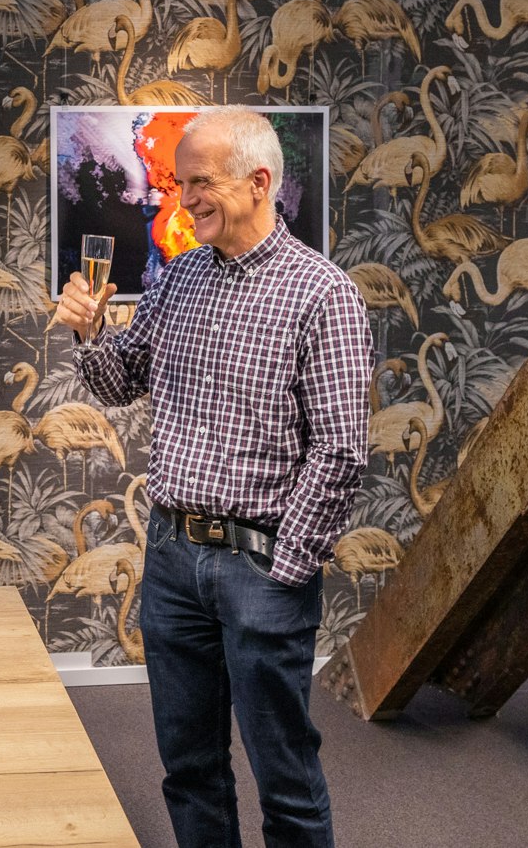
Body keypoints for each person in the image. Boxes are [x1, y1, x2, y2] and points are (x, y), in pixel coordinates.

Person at [58, 107, 372, 847]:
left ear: (258, 181)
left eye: (198, 182)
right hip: (171, 560)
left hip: (261, 566)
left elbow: (340, 449)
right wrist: (88, 329)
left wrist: (285, 567)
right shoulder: (179, 277)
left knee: (285, 776)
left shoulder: (323, 294)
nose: (182, 199)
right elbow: (121, 378)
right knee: (189, 765)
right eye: (177, 182)